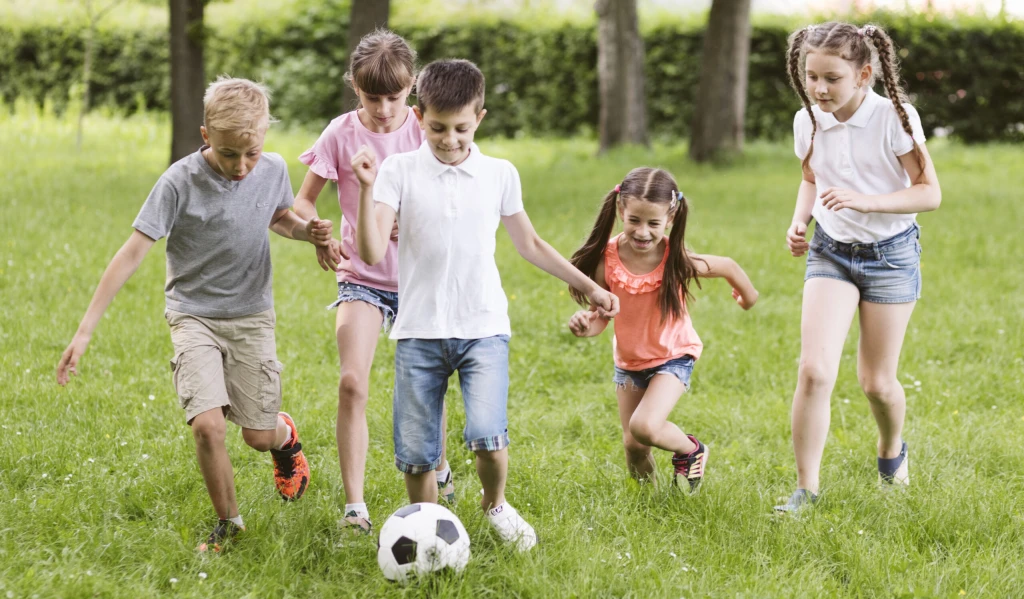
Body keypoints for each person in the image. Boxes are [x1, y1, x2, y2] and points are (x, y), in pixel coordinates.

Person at [352, 59, 619, 551]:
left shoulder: (499, 173)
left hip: (483, 327)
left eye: (461, 127)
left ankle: (494, 505)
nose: (449, 139)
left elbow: (530, 243)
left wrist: (591, 285)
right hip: (418, 330)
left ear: (480, 117)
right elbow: (370, 251)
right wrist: (368, 189)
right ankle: (429, 528)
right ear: (418, 116)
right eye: (436, 128)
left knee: (487, 436)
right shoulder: (398, 170)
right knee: (416, 455)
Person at [56, 77, 328, 551]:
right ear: (206, 136)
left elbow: (280, 218)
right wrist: (83, 333)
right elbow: (132, 252)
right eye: (228, 154)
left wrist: (311, 233)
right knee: (207, 425)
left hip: (251, 315)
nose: (241, 167)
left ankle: (284, 440)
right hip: (193, 316)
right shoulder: (178, 182)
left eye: (252, 153)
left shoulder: (273, 169)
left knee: (257, 437)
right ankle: (230, 524)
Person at [775, 22, 941, 513]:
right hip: (831, 251)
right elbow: (811, 176)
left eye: (832, 78)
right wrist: (799, 219)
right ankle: (806, 489)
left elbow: (929, 193)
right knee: (814, 370)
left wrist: (865, 201)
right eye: (811, 77)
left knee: (877, 383)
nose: (820, 88)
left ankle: (892, 452)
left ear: (864, 75)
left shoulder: (894, 117)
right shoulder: (807, 120)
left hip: (890, 255)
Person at [293, 29, 453, 535]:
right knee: (351, 383)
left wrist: (420, 219)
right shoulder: (339, 133)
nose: (384, 108)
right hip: (361, 277)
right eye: (371, 96)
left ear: (412, 89)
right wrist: (315, 231)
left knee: (426, 389)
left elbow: (457, 194)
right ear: (354, 88)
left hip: (419, 279)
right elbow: (303, 202)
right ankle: (355, 508)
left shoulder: (429, 131)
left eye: (396, 96)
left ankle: (440, 464)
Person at [567, 167, 758, 491]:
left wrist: (747, 298)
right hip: (629, 363)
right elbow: (601, 315)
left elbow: (727, 265)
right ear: (620, 211)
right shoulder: (606, 261)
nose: (643, 232)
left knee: (644, 426)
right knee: (634, 444)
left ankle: (691, 450)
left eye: (653, 223)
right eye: (635, 221)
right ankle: (648, 502)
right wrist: (587, 325)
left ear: (669, 218)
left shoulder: (674, 259)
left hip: (672, 356)